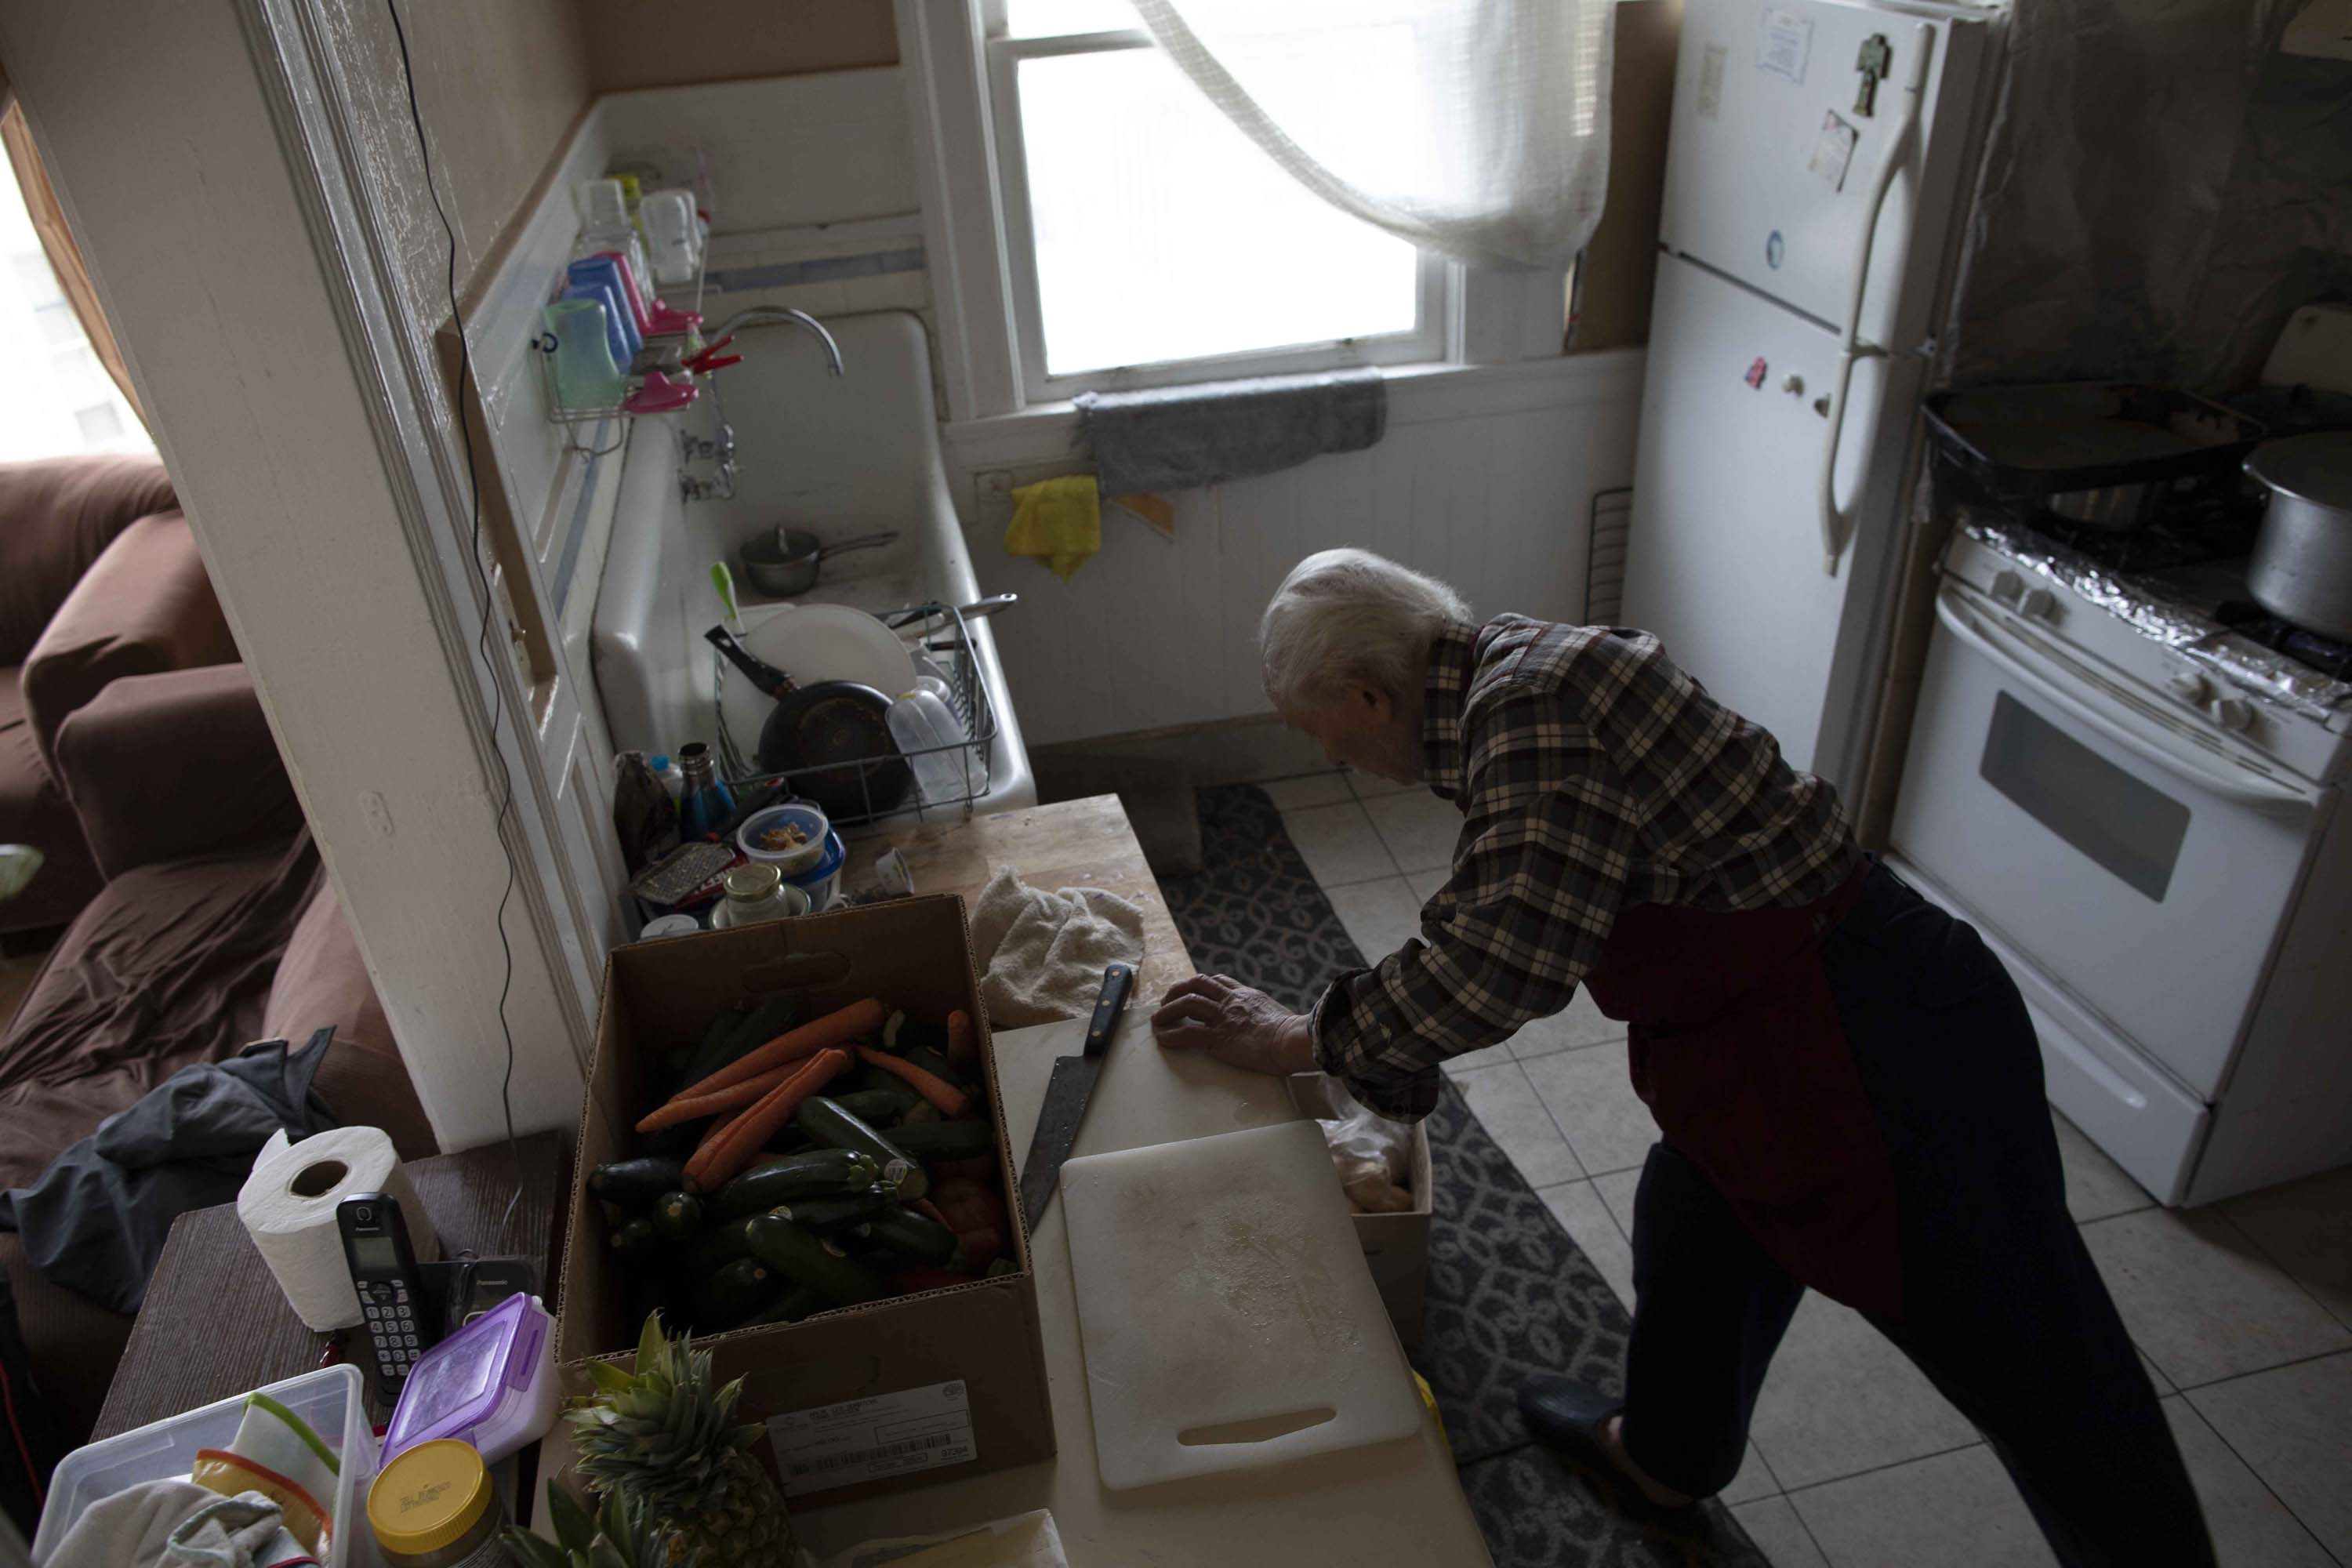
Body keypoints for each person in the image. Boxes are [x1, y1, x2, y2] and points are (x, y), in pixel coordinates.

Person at [1152, 548, 2212, 1566]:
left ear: (1369, 694)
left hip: (1878, 1055)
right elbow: (1496, 902)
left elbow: (1497, 961)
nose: (1331, 758)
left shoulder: (1529, 711)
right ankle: (1663, 1460)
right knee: (1693, 1228)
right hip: (1759, 1056)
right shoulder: (1508, 676)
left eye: (1321, 729)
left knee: (2045, 1372)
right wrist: (1378, 1051)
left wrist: (1303, 1036)